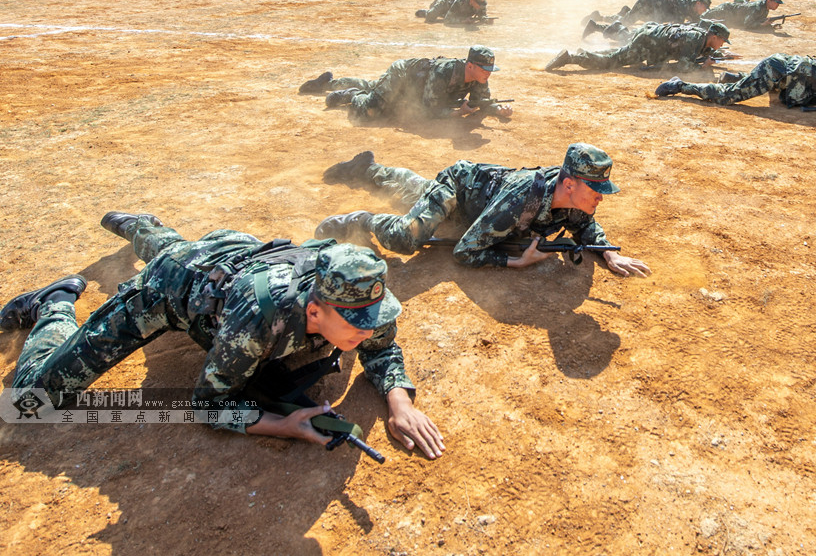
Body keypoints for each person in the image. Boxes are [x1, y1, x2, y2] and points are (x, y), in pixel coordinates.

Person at [0, 212, 445, 459]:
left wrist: (399, 402)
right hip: (169, 290)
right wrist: (281, 426)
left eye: (373, 316)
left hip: (234, 253)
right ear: (315, 310)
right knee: (28, 400)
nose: (370, 329)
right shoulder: (257, 322)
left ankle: (143, 226)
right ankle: (52, 302)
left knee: (175, 246)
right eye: (356, 323)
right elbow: (207, 405)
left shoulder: (360, 294)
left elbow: (383, 346)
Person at [313, 144, 651, 276]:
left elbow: (585, 226)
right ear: (570, 185)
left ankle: (368, 170)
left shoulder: (573, 199)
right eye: (596, 190)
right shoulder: (521, 200)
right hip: (460, 191)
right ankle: (362, 220)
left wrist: (609, 255)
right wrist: (515, 261)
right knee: (408, 237)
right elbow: (464, 251)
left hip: (481, 204)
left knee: (414, 192)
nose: (601, 198)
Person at [654, 49, 816, 118]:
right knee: (728, 97)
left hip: (783, 76)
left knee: (749, 86)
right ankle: (681, 86)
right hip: (777, 72)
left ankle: (736, 78)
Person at [297, 46, 514, 122]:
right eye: (484, 69)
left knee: (374, 86)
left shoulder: (479, 78)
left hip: (415, 92)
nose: (488, 74)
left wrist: (497, 109)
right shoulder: (444, 72)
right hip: (403, 77)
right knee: (372, 111)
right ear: (470, 66)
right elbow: (430, 108)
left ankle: (332, 83)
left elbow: (481, 101)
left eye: (490, 70)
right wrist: (458, 112)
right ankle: (351, 95)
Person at [545, 22, 731, 73]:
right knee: (612, 62)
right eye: (722, 41)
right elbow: (684, 65)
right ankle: (570, 58)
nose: (722, 44)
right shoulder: (695, 39)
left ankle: (584, 54)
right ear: (714, 36)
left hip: (650, 36)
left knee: (618, 54)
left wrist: (721, 55)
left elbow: (704, 51)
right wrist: (701, 66)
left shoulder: (701, 38)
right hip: (647, 45)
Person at [583, 0, 711, 28]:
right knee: (625, 23)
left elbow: (697, 22)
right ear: (698, 3)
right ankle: (598, 17)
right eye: (704, 7)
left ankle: (627, 11)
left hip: (656, 12)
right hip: (649, 2)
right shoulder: (684, 5)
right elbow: (678, 25)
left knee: (637, 19)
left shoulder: (693, 7)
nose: (704, 10)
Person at [702, 0, 786, 31]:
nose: (778, 5)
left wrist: (769, 24)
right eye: (776, 2)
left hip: (729, 19)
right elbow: (748, 25)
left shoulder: (765, 8)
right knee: (703, 18)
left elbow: (757, 20)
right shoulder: (757, 8)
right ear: (768, 1)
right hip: (726, 10)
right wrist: (762, 24)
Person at [414, 0, 488, 24]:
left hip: (455, 13)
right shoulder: (460, 1)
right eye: (478, 3)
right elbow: (447, 20)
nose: (481, 5)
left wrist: (486, 19)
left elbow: (482, 15)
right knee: (430, 18)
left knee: (443, 15)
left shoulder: (482, 2)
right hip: (445, 5)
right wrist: (462, 21)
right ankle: (438, 0)